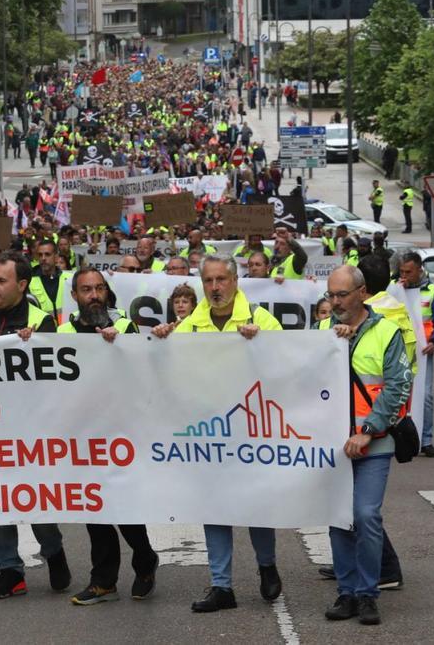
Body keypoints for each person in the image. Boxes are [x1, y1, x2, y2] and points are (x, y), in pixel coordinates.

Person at [152, 254, 283, 614]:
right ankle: (221, 585)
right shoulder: (189, 327)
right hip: (208, 433)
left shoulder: (260, 319)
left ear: (235, 281)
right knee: (214, 507)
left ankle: (267, 565)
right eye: (208, 281)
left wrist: (263, 344)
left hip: (251, 431)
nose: (215, 287)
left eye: (221, 279)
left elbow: (289, 362)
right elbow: (166, 371)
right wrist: (162, 341)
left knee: (256, 506)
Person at [0, 252, 71, 600]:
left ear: (22, 285)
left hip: (29, 428)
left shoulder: (41, 322)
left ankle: (53, 551)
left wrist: (31, 345)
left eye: (2, 281)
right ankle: (10, 570)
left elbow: (53, 376)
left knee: (33, 498)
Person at [57, 269, 159, 605]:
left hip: (120, 432)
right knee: (94, 509)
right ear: (75, 296)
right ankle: (103, 581)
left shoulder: (125, 327)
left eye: (100, 288)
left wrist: (122, 347)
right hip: (82, 434)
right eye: (87, 290)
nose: (94, 295)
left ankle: (144, 559)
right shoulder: (62, 332)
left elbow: (144, 371)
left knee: (124, 507)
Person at [317, 265, 411, 626]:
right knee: (339, 518)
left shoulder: (387, 332)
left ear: (362, 292)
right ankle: (347, 592)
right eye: (331, 295)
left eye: (342, 294)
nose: (335, 302)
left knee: (365, 515)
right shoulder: (322, 332)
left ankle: (368, 594)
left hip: (374, 443)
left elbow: (397, 386)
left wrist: (367, 431)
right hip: (333, 446)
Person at [398, 252, 434, 458]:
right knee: (399, 393)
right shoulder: (395, 289)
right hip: (399, 350)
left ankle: (426, 439)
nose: (404, 276)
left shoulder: (432, 292)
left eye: (408, 272)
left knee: (425, 395)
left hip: (422, 351)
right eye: (402, 271)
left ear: (419, 270)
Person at [29, 239, 71, 318]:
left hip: (67, 325)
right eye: (40, 255)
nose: (43, 258)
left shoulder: (69, 279)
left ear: (56, 257)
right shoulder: (30, 282)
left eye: (47, 254)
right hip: (44, 325)